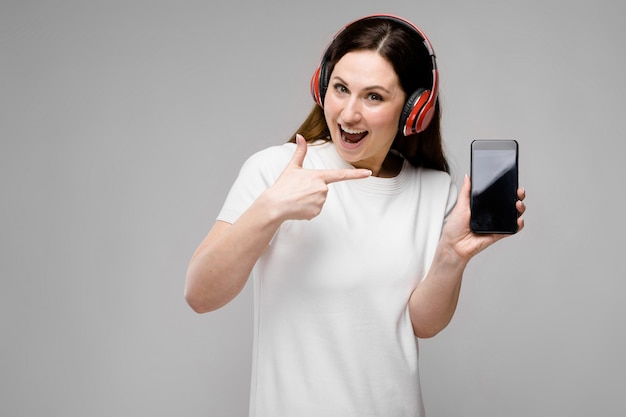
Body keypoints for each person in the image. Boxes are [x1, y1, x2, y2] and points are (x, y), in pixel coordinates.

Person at [185, 14, 526, 417]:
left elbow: (421, 325)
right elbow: (200, 295)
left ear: (414, 110)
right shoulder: (275, 170)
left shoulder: (434, 191)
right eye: (341, 89)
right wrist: (272, 208)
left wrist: (452, 255)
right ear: (322, 84)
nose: (348, 114)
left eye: (374, 97)